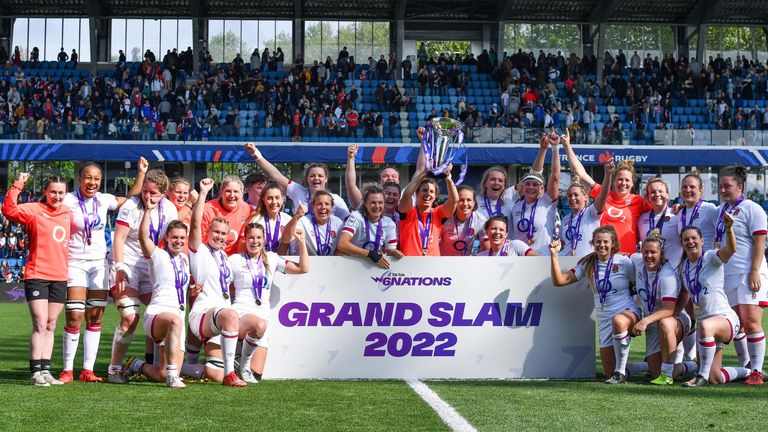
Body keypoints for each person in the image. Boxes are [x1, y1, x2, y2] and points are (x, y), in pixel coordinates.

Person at [59, 159, 146, 384]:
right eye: (88, 177)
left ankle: (87, 370)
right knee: (75, 315)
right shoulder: (67, 200)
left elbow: (132, 200)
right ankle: (67, 369)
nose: (92, 182)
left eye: (96, 178)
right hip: (74, 262)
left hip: (99, 263)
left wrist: (141, 174)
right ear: (80, 178)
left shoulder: (104, 200)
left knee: (95, 316)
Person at [107, 169, 178, 384]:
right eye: (145, 191)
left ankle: (158, 366)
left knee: (164, 314)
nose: (147, 197)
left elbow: (169, 240)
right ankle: (114, 370)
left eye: (153, 193)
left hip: (150, 266)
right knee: (130, 316)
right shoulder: (131, 206)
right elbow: (118, 238)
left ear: (164, 193)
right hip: (126, 265)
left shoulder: (170, 209)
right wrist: (119, 266)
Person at [550, 226, 642, 384]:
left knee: (619, 321)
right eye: (598, 241)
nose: (602, 245)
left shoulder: (624, 262)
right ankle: (639, 367)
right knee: (608, 374)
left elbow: (636, 290)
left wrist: (636, 320)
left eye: (606, 241)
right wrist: (554, 256)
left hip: (626, 312)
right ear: (593, 243)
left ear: (613, 243)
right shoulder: (588, 263)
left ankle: (620, 373)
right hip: (605, 320)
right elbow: (559, 281)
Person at [2, 173, 70, 386]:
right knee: (40, 323)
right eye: (53, 192)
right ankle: (35, 372)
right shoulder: (33, 210)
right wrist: (19, 183)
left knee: (51, 324)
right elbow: (9, 210)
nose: (57, 196)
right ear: (45, 192)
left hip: (60, 276)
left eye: (60, 193)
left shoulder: (69, 212)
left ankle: (46, 370)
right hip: (37, 274)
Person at [230, 222, 309, 383]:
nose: (255, 241)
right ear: (245, 239)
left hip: (262, 315)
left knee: (256, 375)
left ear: (264, 240)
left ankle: (238, 360)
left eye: (258, 237)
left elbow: (303, 269)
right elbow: (223, 286)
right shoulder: (235, 260)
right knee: (258, 326)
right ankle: (240, 361)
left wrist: (301, 242)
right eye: (251, 237)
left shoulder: (272, 258)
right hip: (240, 313)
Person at [678, 215, 750, 387]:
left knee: (705, 326)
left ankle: (700, 377)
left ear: (702, 240)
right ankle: (748, 371)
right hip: (705, 328)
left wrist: (729, 228)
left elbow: (731, 249)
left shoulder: (711, 257)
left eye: (694, 238)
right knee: (716, 377)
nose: (690, 242)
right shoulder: (683, 267)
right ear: (682, 244)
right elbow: (688, 296)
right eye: (686, 239)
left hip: (725, 319)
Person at [187, 178, 246, 386]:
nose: (219, 237)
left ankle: (177, 367)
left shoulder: (226, 259)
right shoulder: (199, 250)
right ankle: (231, 374)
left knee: (214, 374)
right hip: (203, 315)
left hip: (219, 320)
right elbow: (195, 223)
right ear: (208, 233)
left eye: (223, 234)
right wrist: (202, 193)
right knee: (231, 315)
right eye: (216, 233)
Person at [716, 166, 768, 385]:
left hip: (749, 273)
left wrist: (754, 270)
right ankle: (746, 367)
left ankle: (757, 370)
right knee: (737, 323)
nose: (723, 190)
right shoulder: (721, 210)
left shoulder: (752, 208)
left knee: (752, 321)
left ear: (740, 186)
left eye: (727, 186)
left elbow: (759, 242)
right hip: (728, 275)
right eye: (720, 186)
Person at [133, 202, 190, 388]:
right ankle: (174, 378)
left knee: (163, 373)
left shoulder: (185, 260)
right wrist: (148, 210)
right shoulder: (157, 255)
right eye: (174, 237)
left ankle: (136, 365)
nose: (178, 241)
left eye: (182, 237)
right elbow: (143, 236)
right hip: (157, 316)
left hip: (178, 320)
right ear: (166, 237)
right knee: (174, 321)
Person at [563, 135, 652, 254]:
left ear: (632, 183)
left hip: (627, 259)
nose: (623, 183)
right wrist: (567, 146)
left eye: (627, 180)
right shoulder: (603, 194)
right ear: (614, 181)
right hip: (603, 256)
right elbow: (580, 173)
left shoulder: (639, 201)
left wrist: (678, 208)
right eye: (620, 179)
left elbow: (658, 211)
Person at [630, 231, 697, 384]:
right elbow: (619, 255)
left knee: (665, 323)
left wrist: (644, 321)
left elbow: (668, 309)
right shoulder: (636, 261)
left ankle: (675, 371)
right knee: (654, 374)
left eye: (653, 252)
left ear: (661, 253)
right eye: (645, 252)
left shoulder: (667, 275)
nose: (648, 256)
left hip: (673, 318)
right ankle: (686, 366)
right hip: (653, 322)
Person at [245, 142, 350, 219]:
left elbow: (347, 223)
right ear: (307, 179)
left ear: (326, 179)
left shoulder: (336, 200)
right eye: (312, 176)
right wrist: (256, 154)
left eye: (320, 176)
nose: (316, 178)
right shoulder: (299, 191)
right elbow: (276, 175)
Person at [507, 132, 561, 255]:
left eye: (535, 184)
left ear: (541, 188)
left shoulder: (547, 202)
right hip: (520, 260)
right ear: (523, 186)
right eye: (528, 184)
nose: (531, 187)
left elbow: (555, 176)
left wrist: (555, 148)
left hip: (544, 259)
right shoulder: (516, 206)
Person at [398, 165, 458, 256]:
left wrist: (448, 177)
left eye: (431, 191)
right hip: (409, 265)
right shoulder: (408, 211)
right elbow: (406, 195)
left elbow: (454, 201)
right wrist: (424, 172)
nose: (428, 194)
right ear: (417, 193)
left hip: (432, 265)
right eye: (424, 190)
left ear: (435, 196)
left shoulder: (438, 213)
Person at [337, 183, 401, 267]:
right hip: (351, 266)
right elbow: (342, 244)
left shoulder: (389, 223)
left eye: (380, 202)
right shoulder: (356, 217)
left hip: (372, 267)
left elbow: (390, 250)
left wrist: (395, 252)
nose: (377, 206)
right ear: (365, 203)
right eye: (373, 203)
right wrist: (368, 253)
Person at [559, 161, 611, 258]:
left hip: (587, 264)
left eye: (576, 195)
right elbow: (562, 243)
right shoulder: (565, 219)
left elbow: (603, 195)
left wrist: (608, 174)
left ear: (585, 197)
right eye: (569, 195)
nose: (572, 198)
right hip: (566, 263)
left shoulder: (591, 212)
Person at [201, 175, 251, 256]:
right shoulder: (207, 209)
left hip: (237, 259)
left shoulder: (247, 210)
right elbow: (201, 239)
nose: (232, 195)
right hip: (211, 256)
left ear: (242, 194)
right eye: (228, 191)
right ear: (221, 192)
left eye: (236, 191)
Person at [246, 182, 302, 254]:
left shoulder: (288, 220)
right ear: (264, 201)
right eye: (270, 198)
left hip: (285, 261)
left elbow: (294, 249)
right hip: (261, 262)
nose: (274, 202)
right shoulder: (256, 220)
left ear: (282, 199)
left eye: (277, 198)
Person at [637, 178, 681, 265]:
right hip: (651, 272)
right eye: (653, 192)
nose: (657, 194)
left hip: (673, 271)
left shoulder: (677, 215)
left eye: (660, 191)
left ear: (667, 194)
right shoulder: (642, 219)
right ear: (648, 196)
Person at [287, 191, 344, 256]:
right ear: (312, 206)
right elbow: (287, 239)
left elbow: (342, 248)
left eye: (327, 204)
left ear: (332, 207)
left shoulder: (338, 223)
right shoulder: (303, 221)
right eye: (319, 204)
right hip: (310, 263)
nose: (323, 207)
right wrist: (296, 216)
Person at [439, 185, 487, 256]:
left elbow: (486, 249)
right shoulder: (445, 217)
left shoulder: (481, 220)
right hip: (443, 261)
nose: (465, 204)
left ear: (474, 203)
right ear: (455, 202)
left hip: (466, 263)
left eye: (469, 200)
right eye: (461, 200)